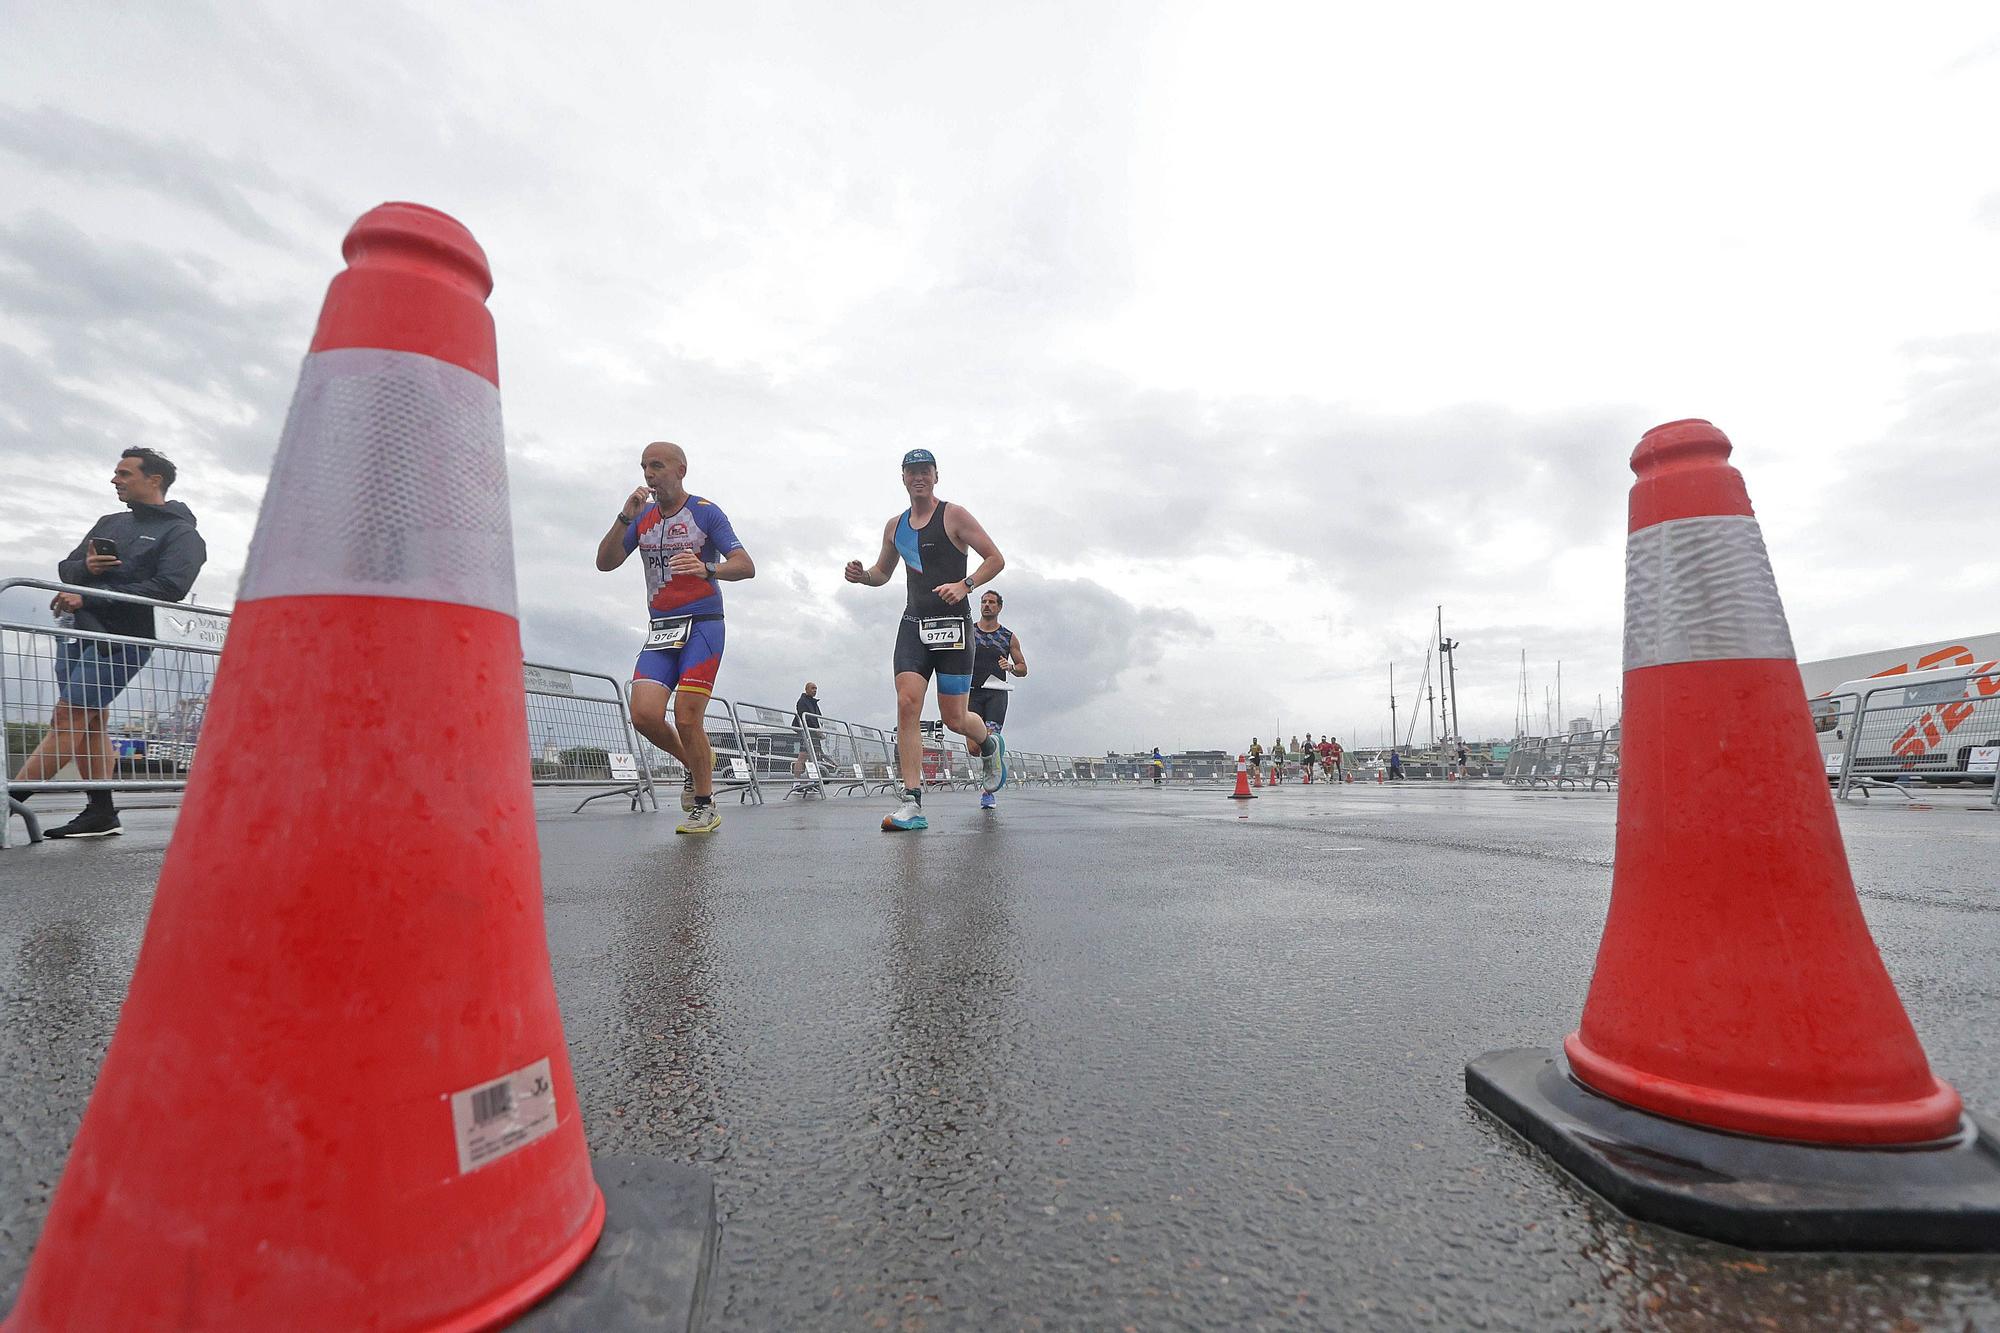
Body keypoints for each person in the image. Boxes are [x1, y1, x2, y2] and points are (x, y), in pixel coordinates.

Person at [10, 448, 206, 838]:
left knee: (68, 719)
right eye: (115, 473)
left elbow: (170, 588)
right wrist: (86, 568)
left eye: (124, 473)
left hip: (123, 638)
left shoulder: (182, 535)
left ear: (154, 480)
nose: (115, 480)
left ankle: (7, 804)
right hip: (79, 630)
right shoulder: (109, 522)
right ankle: (101, 812)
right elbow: (66, 567)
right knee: (90, 721)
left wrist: (91, 595)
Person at [596, 441, 754, 835]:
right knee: (644, 715)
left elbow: (746, 566)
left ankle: (704, 804)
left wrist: (707, 568)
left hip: (703, 625)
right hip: (662, 630)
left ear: (681, 470)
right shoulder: (642, 517)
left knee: (687, 716)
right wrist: (623, 518)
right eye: (645, 467)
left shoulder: (705, 513)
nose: (649, 474)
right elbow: (605, 563)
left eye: (658, 466)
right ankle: (696, 761)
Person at [844, 448, 1006, 832]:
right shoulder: (894, 526)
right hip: (913, 626)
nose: (918, 477)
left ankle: (989, 746)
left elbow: (995, 559)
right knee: (907, 703)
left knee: (954, 719)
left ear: (936, 476)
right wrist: (861, 576)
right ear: (902, 477)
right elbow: (883, 572)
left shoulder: (954, 515)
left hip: (953, 630)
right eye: (911, 471)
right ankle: (912, 802)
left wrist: (965, 585)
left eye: (925, 471)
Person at [969, 590, 1028, 810]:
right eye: (983, 602)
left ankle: (988, 792)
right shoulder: (969, 631)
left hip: (996, 692)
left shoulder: (1008, 636)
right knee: (974, 748)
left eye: (991, 602)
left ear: (999, 607)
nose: (987, 605)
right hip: (971, 693)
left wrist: (1011, 667)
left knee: (992, 740)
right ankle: (993, 753)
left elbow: (1024, 669)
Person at [793, 680, 826, 763]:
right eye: (812, 688)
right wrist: (816, 730)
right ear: (806, 689)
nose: (815, 690)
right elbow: (805, 717)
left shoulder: (813, 702)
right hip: (806, 731)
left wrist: (819, 729)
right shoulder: (802, 701)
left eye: (816, 689)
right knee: (803, 755)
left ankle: (813, 773)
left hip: (813, 732)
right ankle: (797, 776)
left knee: (815, 754)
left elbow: (817, 718)